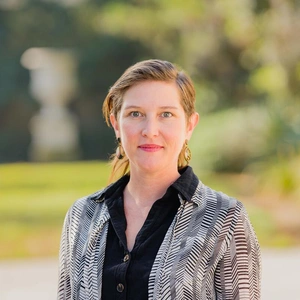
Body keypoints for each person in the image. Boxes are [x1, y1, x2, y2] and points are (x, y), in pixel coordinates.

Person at [57, 59, 261, 299]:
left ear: (189, 125)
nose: (150, 130)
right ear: (116, 124)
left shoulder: (226, 218)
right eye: (135, 114)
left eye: (166, 114)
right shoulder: (82, 215)